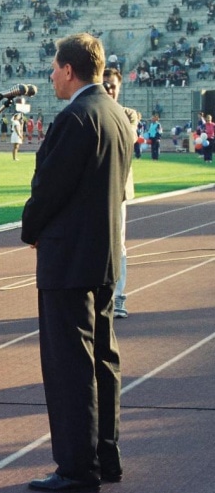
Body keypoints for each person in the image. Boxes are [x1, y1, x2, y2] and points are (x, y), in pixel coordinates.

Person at [21, 32, 132, 493]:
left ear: (69, 70)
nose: (50, 77)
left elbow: (49, 187)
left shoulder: (76, 117)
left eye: (53, 69)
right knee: (103, 357)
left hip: (68, 259)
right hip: (103, 255)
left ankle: (76, 466)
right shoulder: (117, 115)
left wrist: (31, 229)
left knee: (70, 364)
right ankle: (105, 455)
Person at [102, 69, 139, 320]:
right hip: (95, 190)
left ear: (119, 87)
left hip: (119, 192)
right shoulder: (91, 112)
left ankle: (119, 297)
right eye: (104, 85)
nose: (108, 89)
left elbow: (129, 137)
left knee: (119, 245)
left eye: (113, 85)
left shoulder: (129, 115)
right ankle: (100, 296)